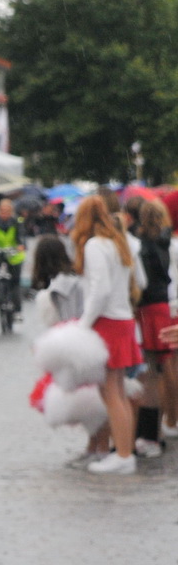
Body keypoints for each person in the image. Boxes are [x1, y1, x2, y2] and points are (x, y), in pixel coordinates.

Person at [71, 194, 141, 474]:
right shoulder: (117, 243)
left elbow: (99, 290)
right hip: (121, 319)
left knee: (111, 392)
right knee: (119, 392)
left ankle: (124, 454)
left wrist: (83, 325)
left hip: (107, 322)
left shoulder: (94, 246)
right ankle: (125, 452)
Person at [129, 197, 175, 456]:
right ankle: (163, 426)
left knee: (150, 373)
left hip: (147, 308)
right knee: (162, 368)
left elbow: (142, 281)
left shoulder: (143, 244)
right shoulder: (166, 241)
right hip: (163, 305)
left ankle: (151, 433)